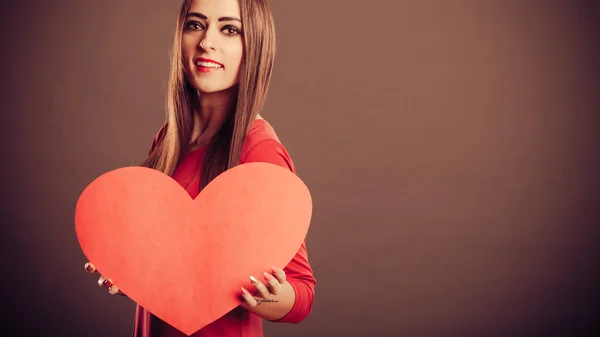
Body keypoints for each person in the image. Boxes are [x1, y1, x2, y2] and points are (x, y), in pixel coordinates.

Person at [83, 0, 316, 336]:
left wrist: (267, 297)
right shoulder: (169, 137)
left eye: (229, 29)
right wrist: (130, 271)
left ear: (255, 46)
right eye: (196, 24)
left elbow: (303, 296)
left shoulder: (259, 150)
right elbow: (173, 266)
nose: (207, 41)